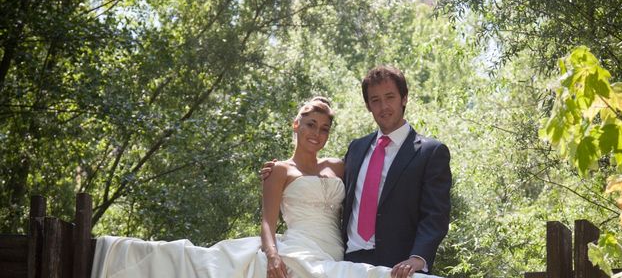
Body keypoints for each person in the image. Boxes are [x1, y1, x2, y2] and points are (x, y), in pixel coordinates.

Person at [90, 97, 442, 278]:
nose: (316, 134)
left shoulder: (339, 165)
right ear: (296, 125)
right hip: (299, 246)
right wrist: (273, 255)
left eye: (323, 129)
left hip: (335, 251)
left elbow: (379, 185)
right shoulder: (278, 171)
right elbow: (266, 223)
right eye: (310, 125)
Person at [262, 65, 451, 276]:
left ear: (404, 98)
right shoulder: (356, 149)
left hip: (400, 265)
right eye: (375, 100)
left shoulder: (430, 152)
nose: (383, 106)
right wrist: (278, 170)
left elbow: (436, 216)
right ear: (368, 105)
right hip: (346, 262)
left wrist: (418, 258)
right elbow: (314, 177)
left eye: (390, 97)